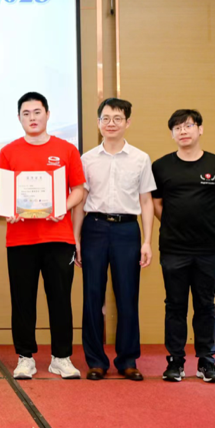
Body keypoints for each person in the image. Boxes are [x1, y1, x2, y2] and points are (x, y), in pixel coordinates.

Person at [0, 92, 86, 380]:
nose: (32, 118)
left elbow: (79, 190)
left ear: (47, 114)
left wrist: (63, 207)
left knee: (60, 299)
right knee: (22, 300)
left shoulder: (66, 149)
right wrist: (8, 210)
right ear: (19, 118)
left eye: (37, 112)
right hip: (20, 239)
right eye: (26, 113)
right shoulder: (8, 151)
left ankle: (61, 357)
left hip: (58, 238)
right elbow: (3, 193)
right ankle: (25, 358)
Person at [152, 109, 215, 384]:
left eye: (188, 125)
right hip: (173, 248)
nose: (183, 131)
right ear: (172, 134)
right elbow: (156, 204)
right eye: (177, 127)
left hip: (208, 249)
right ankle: (175, 361)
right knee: (174, 305)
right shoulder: (161, 166)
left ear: (200, 129)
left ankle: (206, 361)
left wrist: (207, 227)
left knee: (205, 305)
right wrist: (176, 226)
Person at [73, 98, 156, 381]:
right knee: (92, 297)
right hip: (94, 229)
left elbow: (146, 201)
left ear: (127, 122)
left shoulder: (140, 158)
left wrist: (147, 241)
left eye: (117, 118)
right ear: (98, 123)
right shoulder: (86, 159)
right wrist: (76, 239)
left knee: (127, 296)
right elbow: (80, 202)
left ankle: (127, 360)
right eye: (105, 118)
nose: (111, 123)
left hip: (127, 230)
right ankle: (96, 361)